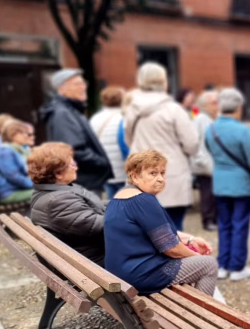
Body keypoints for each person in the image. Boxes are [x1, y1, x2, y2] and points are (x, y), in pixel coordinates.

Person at [104, 149, 220, 297]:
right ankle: (203, 315)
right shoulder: (143, 200)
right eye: (153, 173)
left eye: (162, 173)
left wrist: (190, 239)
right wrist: (196, 256)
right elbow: (171, 248)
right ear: (135, 176)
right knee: (208, 265)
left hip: (120, 272)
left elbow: (156, 231)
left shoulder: (118, 199)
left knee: (197, 262)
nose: (160, 179)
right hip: (139, 275)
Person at [124, 62, 199, 230]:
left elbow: (128, 139)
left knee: (143, 230)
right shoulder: (174, 110)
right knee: (174, 230)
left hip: (141, 176)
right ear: (164, 81)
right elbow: (192, 143)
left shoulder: (132, 110)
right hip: (171, 175)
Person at [205, 88, 250, 281]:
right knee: (239, 224)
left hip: (219, 182)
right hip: (241, 183)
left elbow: (209, 150)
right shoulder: (242, 130)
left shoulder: (210, 129)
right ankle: (236, 266)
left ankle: (222, 264)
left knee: (223, 224)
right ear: (238, 107)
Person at [28, 142, 106, 265]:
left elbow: (93, 207)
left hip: (87, 255)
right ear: (58, 173)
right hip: (92, 263)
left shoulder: (52, 191)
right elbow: (100, 226)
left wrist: (125, 204)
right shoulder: (58, 201)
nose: (76, 167)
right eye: (72, 164)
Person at [40, 68, 112, 194]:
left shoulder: (71, 110)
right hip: (82, 183)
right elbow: (74, 150)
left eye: (83, 83)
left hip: (84, 182)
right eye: (77, 84)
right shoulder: (63, 113)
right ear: (61, 89)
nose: (83, 87)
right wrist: (102, 162)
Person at [89, 86, 127, 199]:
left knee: (111, 202)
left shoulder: (95, 119)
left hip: (105, 170)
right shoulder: (124, 117)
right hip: (123, 169)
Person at [191, 90, 219, 231]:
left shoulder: (213, 118)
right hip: (204, 164)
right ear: (205, 105)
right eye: (214, 103)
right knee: (207, 194)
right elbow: (195, 143)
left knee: (213, 194)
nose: (217, 105)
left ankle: (213, 218)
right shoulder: (200, 119)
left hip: (213, 163)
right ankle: (208, 220)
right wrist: (203, 161)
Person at [0, 120, 34, 203]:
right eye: (22, 133)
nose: (26, 136)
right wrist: (34, 185)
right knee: (45, 193)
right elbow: (14, 176)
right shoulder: (4, 151)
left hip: (17, 189)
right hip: (8, 193)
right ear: (12, 134)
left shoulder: (16, 149)